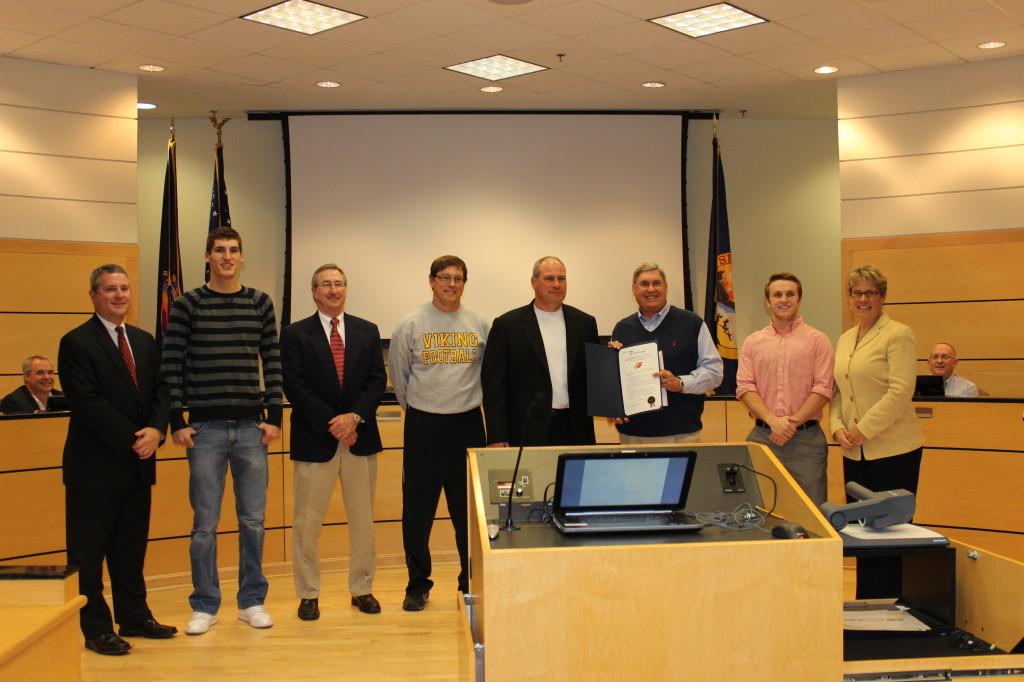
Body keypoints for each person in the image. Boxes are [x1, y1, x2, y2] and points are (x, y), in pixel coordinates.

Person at [161, 226, 283, 635]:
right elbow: (171, 364)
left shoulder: (260, 303)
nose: (227, 257)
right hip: (205, 430)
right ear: (207, 256)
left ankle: (251, 601)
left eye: (233, 250)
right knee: (204, 525)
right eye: (219, 250)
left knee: (253, 522)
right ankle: (205, 604)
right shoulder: (187, 304)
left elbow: (273, 360)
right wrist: (178, 420)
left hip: (252, 428)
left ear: (242, 257)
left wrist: (275, 417)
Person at [58, 264, 176, 655]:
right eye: (110, 289)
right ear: (93, 295)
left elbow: (162, 391)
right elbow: (88, 403)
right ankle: (95, 628)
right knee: (88, 554)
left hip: (138, 465)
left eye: (124, 288)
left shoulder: (144, 341)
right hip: (94, 467)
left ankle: (135, 615)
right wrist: (133, 439)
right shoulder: (76, 343)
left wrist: (157, 430)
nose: (119, 295)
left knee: (130, 549)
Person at [280, 264, 386, 619]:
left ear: (346, 289)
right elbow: (294, 385)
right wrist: (334, 422)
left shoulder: (367, 331)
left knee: (363, 520)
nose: (333, 290)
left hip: (360, 436)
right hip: (315, 438)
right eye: (326, 284)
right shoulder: (295, 334)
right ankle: (308, 593)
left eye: (339, 283)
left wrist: (353, 418)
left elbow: (376, 380)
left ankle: (362, 589)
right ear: (314, 291)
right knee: (307, 523)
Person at [389, 255, 489, 611]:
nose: (451, 284)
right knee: (418, 512)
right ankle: (417, 584)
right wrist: (421, 408)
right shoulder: (410, 324)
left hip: (467, 425)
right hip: (424, 425)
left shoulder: (479, 323)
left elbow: (487, 377)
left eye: (458, 278)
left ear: (465, 283)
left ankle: (469, 582)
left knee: (468, 513)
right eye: (444, 277)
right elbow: (400, 380)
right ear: (431, 281)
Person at [830, 264, 924, 597]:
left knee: (892, 529)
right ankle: (867, 601)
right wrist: (838, 427)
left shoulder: (898, 333)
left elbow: (900, 392)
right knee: (861, 531)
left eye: (871, 292)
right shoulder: (844, 339)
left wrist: (863, 430)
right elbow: (839, 390)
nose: (863, 299)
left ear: (882, 296)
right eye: (857, 292)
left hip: (893, 450)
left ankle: (895, 602)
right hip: (854, 450)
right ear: (849, 297)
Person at [736, 272, 834, 505]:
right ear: (768, 301)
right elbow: (745, 386)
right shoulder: (753, 342)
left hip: (806, 441)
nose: (784, 299)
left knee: (813, 511)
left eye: (790, 294)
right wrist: (773, 420)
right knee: (760, 507)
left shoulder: (818, 340)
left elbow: (823, 388)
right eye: (777, 294)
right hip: (763, 436)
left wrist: (790, 424)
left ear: (799, 299)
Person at [482, 256, 598, 446]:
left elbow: (594, 376)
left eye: (561, 279)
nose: (557, 284)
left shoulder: (585, 323)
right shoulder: (507, 325)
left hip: (575, 428)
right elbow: (495, 387)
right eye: (549, 278)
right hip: (527, 429)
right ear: (534, 282)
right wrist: (497, 435)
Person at [609, 263, 723, 444]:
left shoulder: (692, 323)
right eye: (644, 284)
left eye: (657, 283)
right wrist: (613, 407)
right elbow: (614, 381)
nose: (651, 289)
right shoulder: (622, 328)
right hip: (632, 434)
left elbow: (715, 372)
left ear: (666, 287)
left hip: (681, 433)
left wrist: (680, 383)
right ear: (634, 289)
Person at [1, 355, 67, 414]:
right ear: (27, 376)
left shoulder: (64, 398)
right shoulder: (14, 402)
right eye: (40, 373)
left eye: (50, 372)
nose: (47, 377)